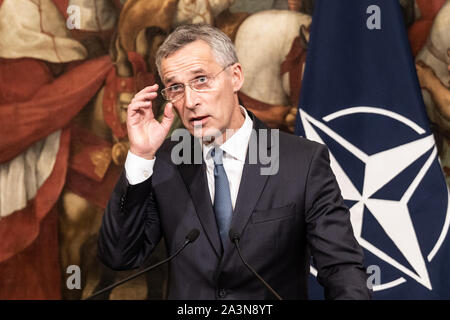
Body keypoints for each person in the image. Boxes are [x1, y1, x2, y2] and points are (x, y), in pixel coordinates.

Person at [97, 24, 371, 300]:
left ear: (235, 76)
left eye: (201, 79)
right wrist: (141, 155)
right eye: (176, 87)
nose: (190, 101)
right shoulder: (164, 164)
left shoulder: (302, 162)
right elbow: (120, 255)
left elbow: (342, 269)